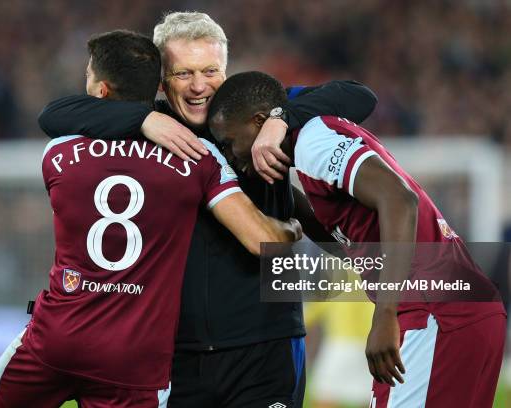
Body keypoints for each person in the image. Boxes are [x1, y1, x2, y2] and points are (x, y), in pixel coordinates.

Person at [38, 12, 378, 407]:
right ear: (162, 80)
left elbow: (359, 96)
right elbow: (54, 115)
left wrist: (281, 120)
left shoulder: (259, 110)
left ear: (226, 69)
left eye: (210, 70)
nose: (200, 86)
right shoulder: (145, 127)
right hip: (175, 353)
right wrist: (145, 119)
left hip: (265, 346)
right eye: (184, 74)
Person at [0, 32, 302, 408]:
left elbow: (55, 116)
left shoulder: (59, 152)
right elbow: (263, 241)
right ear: (159, 87)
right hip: (133, 357)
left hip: (58, 334)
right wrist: (291, 226)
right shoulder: (197, 158)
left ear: (101, 90)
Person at [207, 70, 507, 407]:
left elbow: (399, 199)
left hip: (432, 311)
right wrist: (285, 200)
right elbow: (347, 243)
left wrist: (385, 314)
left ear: (260, 121)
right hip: (463, 309)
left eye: (231, 143)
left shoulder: (313, 140)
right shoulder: (310, 150)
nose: (232, 157)